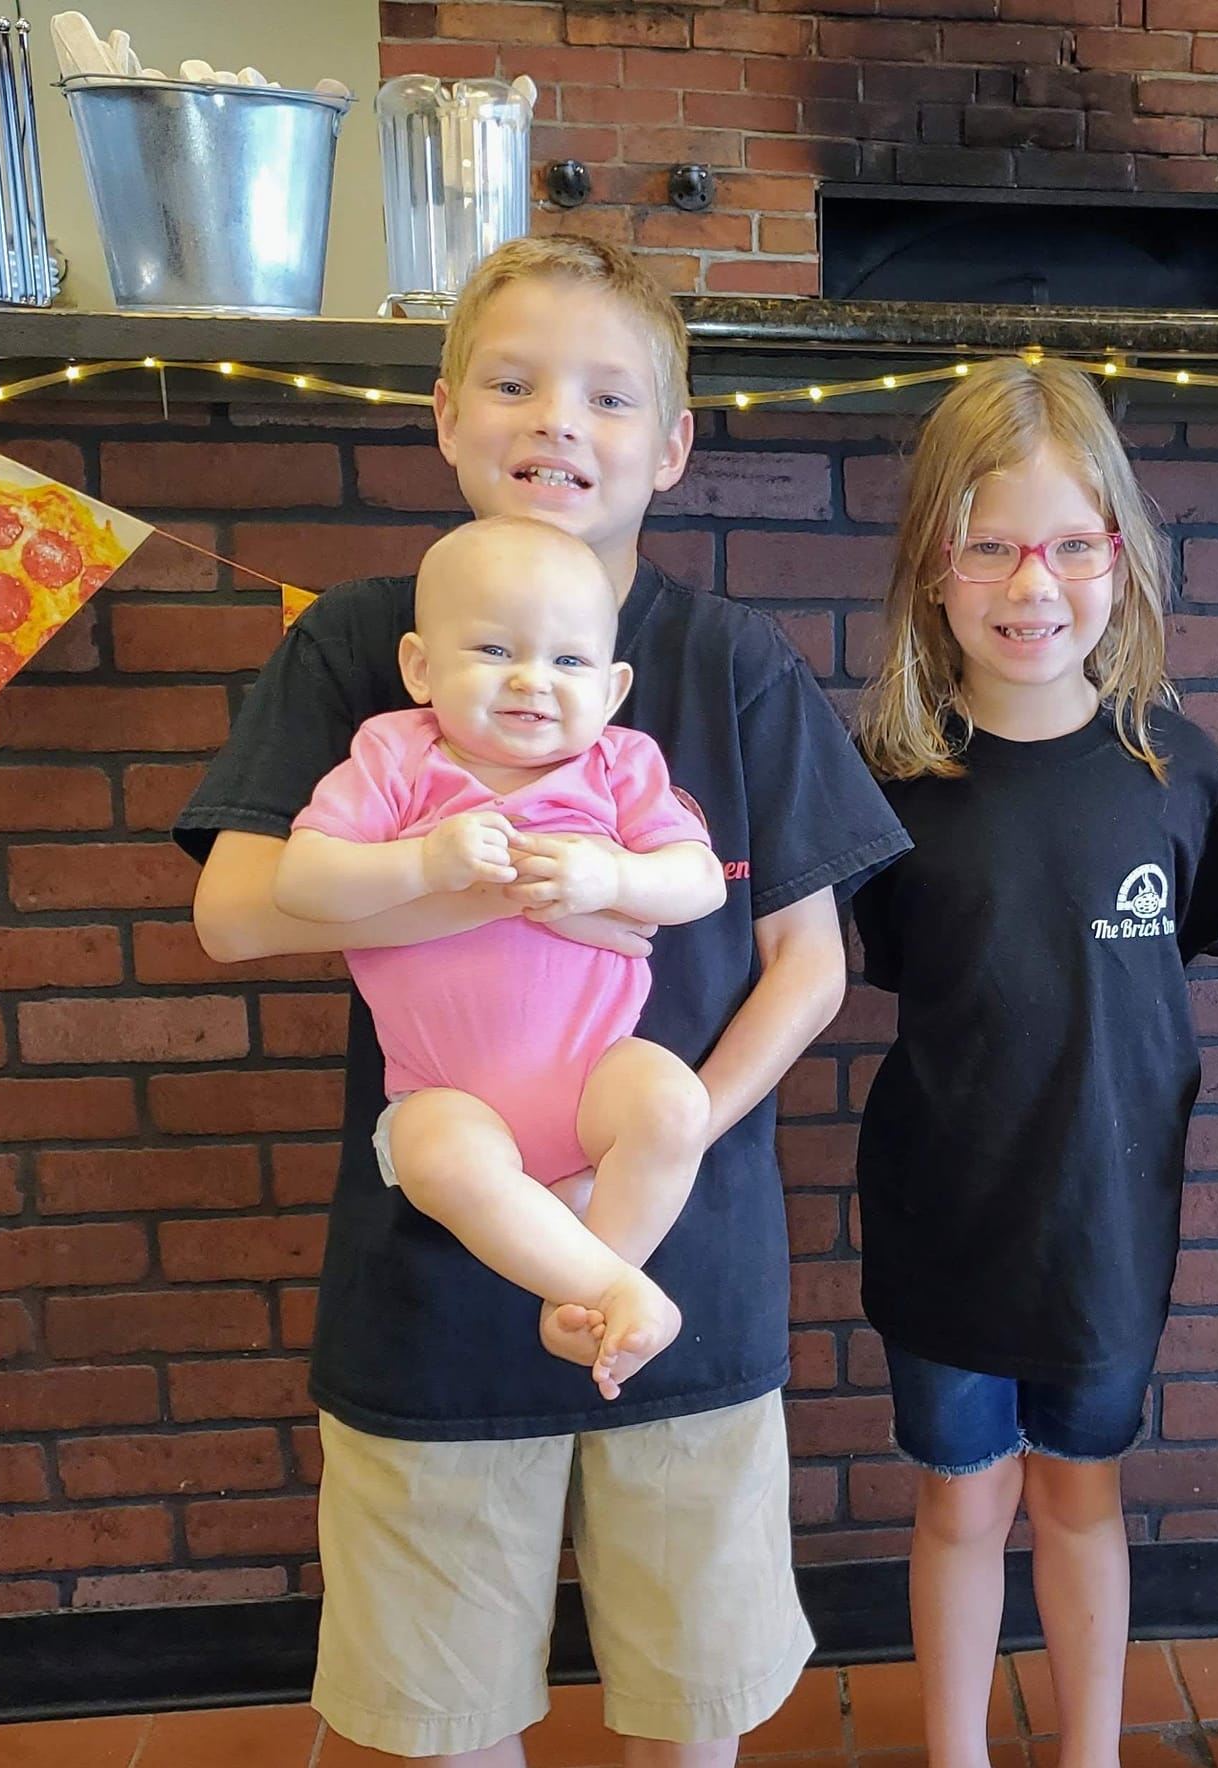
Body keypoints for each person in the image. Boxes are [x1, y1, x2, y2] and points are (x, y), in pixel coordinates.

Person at [174, 235, 910, 1767]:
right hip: (432, 1274)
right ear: (445, 418)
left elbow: (812, 962)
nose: (557, 424)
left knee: (689, 1713)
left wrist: (673, 1131)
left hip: (682, 1267)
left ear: (674, 443)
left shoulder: (727, 667)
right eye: (511, 384)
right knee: (441, 1722)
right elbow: (236, 913)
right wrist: (471, 873)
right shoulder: (358, 652)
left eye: (607, 396)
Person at [850, 357, 1218, 1768]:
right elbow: (890, 968)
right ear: (932, 568)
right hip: (947, 1223)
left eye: (1073, 545)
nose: (1034, 583)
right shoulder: (884, 783)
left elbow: (1174, 968)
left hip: (1109, 1233)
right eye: (992, 545)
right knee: (962, 1501)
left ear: (1119, 561)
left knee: (1083, 1494)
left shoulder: (1176, 774)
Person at [274, 516, 726, 1398]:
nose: (531, 681)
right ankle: (606, 1288)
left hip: (593, 1071)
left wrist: (610, 874)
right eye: (492, 649)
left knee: (673, 1103)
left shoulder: (619, 764)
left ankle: (591, 1286)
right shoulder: (395, 757)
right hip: (447, 1089)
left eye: (567, 661)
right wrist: (418, 862)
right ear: (419, 667)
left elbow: (699, 881)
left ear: (612, 683)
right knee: (437, 1154)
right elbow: (301, 881)